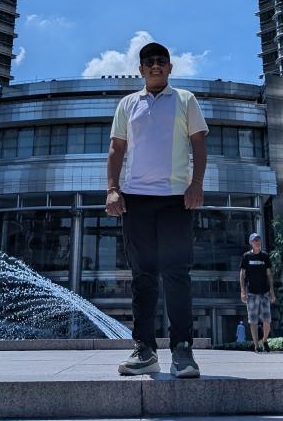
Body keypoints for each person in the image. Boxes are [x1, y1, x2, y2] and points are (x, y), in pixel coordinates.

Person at [107, 40, 208, 378]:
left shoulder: (185, 100)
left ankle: (182, 350)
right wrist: (112, 190)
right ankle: (144, 350)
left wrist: (196, 184)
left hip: (176, 199)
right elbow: (116, 149)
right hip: (135, 199)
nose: (155, 66)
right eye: (149, 61)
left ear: (169, 67)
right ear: (140, 69)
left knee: (177, 274)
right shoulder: (127, 104)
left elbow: (198, 142)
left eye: (161, 61)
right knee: (143, 276)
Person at [239, 232, 275, 352]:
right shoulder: (246, 257)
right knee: (253, 320)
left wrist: (272, 291)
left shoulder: (265, 256)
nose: (257, 242)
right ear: (251, 243)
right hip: (251, 292)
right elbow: (242, 275)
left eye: (258, 240)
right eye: (255, 240)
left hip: (264, 292)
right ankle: (256, 344)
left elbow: (269, 274)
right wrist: (242, 291)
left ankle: (264, 340)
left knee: (267, 319)